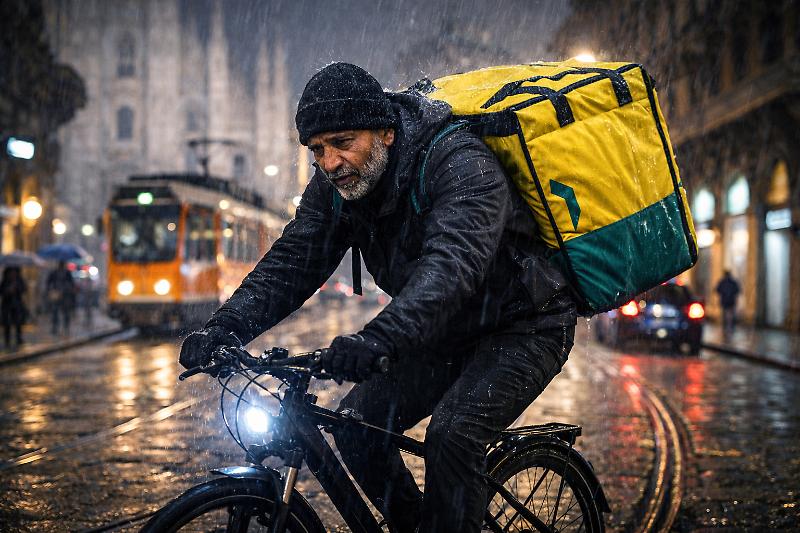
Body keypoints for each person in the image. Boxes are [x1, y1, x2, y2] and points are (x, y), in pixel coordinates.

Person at [179, 63, 577, 533]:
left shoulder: (459, 162)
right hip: (445, 328)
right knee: (353, 423)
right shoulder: (338, 187)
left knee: (453, 434)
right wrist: (225, 326)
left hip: (524, 323)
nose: (329, 162)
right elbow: (292, 262)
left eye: (343, 142)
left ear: (386, 132)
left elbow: (451, 268)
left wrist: (378, 339)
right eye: (317, 150)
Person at [46, 260, 76, 335]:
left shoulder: (67, 273)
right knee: (55, 311)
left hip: (65, 295)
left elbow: (72, 283)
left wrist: (67, 288)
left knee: (65, 312)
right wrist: (51, 290)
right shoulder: (54, 273)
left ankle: (66, 327)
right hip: (56, 295)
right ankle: (55, 327)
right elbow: (48, 282)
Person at [0, 266, 27, 348]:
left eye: (14, 272)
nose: (12, 274)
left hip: (17, 305)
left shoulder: (19, 280)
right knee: (6, 324)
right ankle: (7, 340)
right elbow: (1, 291)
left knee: (18, 322)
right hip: (7, 305)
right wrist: (8, 291)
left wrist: (16, 288)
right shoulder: (5, 281)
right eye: (11, 272)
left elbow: (24, 289)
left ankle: (19, 338)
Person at [715, 270, 740, 336]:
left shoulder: (722, 282)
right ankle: (731, 327)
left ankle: (726, 327)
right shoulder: (733, 282)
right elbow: (737, 290)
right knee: (731, 314)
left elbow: (717, 290)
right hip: (731, 301)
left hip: (725, 301)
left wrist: (723, 293)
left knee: (725, 315)